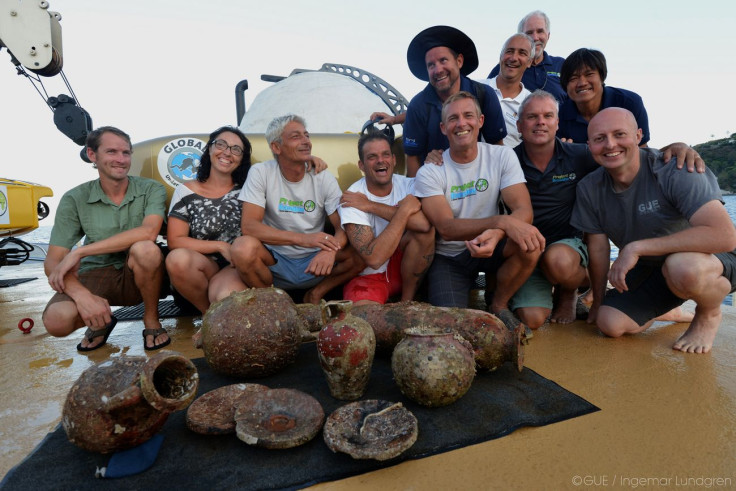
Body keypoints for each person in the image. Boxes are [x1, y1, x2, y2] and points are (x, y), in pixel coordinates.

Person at [514, 91, 705, 329]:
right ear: (519, 125)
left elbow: (625, 154)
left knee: (559, 262)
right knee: (532, 319)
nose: (540, 121)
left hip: (566, 247)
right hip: (529, 248)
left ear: (557, 123)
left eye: (547, 115)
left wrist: (674, 147)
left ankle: (569, 292)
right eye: (532, 116)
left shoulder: (580, 154)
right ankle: (653, 308)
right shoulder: (508, 161)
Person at [571, 108, 736, 353]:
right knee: (610, 323)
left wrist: (638, 247)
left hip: (714, 259)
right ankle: (672, 308)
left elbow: (724, 236)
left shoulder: (674, 168)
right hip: (654, 269)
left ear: (638, 135)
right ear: (589, 145)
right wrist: (596, 300)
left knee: (682, 267)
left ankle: (708, 313)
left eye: (619, 134)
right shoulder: (590, 188)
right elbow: (597, 248)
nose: (610, 144)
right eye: (599, 139)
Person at [414, 91, 544, 331]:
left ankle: (498, 304)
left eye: (468, 116)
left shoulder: (501, 156)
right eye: (453, 119)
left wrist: (497, 233)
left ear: (481, 121)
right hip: (451, 256)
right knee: (452, 328)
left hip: (494, 245)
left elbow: (523, 209)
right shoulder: (430, 171)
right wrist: (500, 223)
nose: (461, 123)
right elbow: (446, 228)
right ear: (443, 128)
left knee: (531, 242)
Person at [42, 126, 170, 351]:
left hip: (139, 273)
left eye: (126, 153)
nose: (121, 159)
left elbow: (149, 232)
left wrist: (80, 251)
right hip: (95, 273)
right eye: (111, 152)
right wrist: (81, 295)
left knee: (146, 249)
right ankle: (100, 321)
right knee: (56, 321)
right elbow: (53, 261)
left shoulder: (151, 189)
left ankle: (151, 320)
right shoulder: (74, 198)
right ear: (93, 155)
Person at [230, 114, 364, 304]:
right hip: (275, 261)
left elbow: (342, 226)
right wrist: (305, 239)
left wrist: (331, 250)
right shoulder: (261, 172)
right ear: (276, 147)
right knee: (242, 248)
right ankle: (275, 302)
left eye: (306, 135)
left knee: (364, 250)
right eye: (296, 137)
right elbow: (250, 227)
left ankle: (316, 294)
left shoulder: (322, 177)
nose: (306, 142)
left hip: (315, 260)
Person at [373, 25, 507, 178]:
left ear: (459, 61)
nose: (438, 70)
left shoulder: (484, 95)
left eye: (443, 60)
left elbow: (497, 148)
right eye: (431, 65)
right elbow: (413, 159)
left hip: (479, 183)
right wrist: (416, 197)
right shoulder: (418, 106)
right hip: (436, 185)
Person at [339, 129, 435, 305]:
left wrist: (371, 206)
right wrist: (404, 211)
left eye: (385, 155)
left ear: (394, 159)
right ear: (361, 165)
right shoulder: (352, 197)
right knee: (363, 319)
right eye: (372, 157)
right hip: (369, 277)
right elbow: (374, 260)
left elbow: (424, 226)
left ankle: (407, 303)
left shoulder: (409, 185)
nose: (381, 161)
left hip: (404, 271)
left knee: (424, 234)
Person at [165, 126, 251, 315]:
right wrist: (220, 246)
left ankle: (217, 320)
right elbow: (175, 240)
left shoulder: (248, 189)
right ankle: (208, 317)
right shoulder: (185, 191)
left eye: (236, 149)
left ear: (242, 158)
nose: (227, 153)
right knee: (177, 259)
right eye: (221, 144)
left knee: (226, 297)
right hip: (203, 265)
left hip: (236, 266)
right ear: (210, 149)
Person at [558, 48, 649, 145]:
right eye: (573, 78)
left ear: (602, 77)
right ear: (565, 85)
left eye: (589, 74)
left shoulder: (629, 103)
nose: (582, 83)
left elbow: (642, 149)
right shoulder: (558, 116)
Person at [487, 11, 566, 101]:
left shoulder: (562, 65)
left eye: (540, 31)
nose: (535, 37)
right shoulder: (507, 67)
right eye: (529, 33)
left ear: (548, 35)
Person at [481, 33, 534, 147]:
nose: (514, 58)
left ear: (530, 62)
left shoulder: (531, 103)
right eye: (509, 51)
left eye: (522, 53)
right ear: (500, 56)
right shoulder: (476, 87)